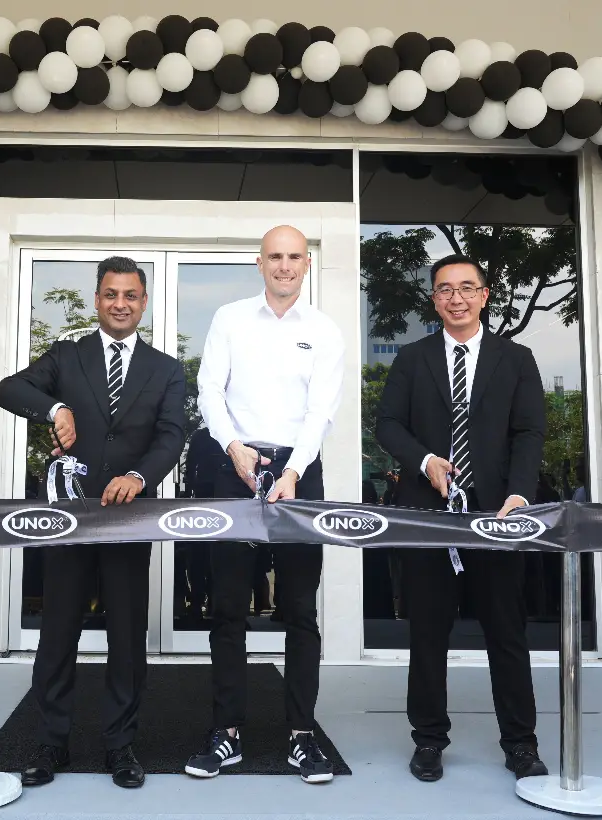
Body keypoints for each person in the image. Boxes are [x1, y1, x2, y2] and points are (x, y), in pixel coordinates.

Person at [0, 256, 186, 789]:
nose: (120, 304)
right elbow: (8, 389)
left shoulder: (167, 369)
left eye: (130, 295)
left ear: (143, 303)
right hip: (69, 519)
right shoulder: (67, 355)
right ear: (97, 300)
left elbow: (171, 435)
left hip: (129, 517)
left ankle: (120, 746)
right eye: (111, 294)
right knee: (58, 631)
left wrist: (139, 477)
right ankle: (50, 743)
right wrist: (55, 409)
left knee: (126, 634)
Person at [374, 253, 548, 783]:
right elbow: (387, 424)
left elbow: (529, 432)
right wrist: (425, 460)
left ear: (485, 295)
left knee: (506, 633)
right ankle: (428, 739)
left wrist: (519, 494)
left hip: (498, 515)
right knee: (428, 634)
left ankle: (520, 743)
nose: (457, 298)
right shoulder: (413, 358)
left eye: (467, 288)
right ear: (434, 300)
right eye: (445, 289)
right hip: (430, 519)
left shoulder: (516, 359)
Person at [185, 225, 345, 785]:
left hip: (300, 472)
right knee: (228, 605)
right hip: (233, 468)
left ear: (306, 264)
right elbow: (210, 390)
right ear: (259, 263)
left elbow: (321, 411)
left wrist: (293, 471)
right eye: (274, 256)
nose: (284, 266)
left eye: (294, 256)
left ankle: (302, 736)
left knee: (299, 609)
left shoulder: (324, 330)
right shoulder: (229, 318)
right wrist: (233, 448)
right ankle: (226, 732)